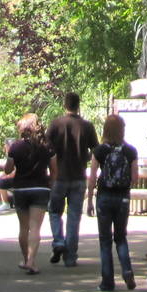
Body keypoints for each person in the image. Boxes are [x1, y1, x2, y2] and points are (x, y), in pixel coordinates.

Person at [45, 91, 99, 266]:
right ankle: (70, 257)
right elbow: (96, 150)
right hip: (78, 176)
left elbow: (46, 146)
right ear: (78, 105)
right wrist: (85, 156)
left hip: (59, 176)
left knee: (54, 211)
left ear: (65, 104)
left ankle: (58, 241)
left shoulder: (56, 124)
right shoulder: (87, 126)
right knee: (74, 217)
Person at [90, 113, 139, 291]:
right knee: (120, 237)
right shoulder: (130, 151)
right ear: (122, 130)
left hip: (104, 197)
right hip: (123, 197)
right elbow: (135, 178)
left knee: (105, 240)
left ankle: (107, 282)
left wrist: (89, 199)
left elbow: (92, 176)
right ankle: (127, 271)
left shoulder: (99, 151)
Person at [3, 113, 52, 274]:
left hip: (21, 189)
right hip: (40, 188)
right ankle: (31, 261)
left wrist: (11, 157)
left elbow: (8, 170)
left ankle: (26, 260)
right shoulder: (46, 146)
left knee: (23, 228)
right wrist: (51, 184)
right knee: (35, 228)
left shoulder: (16, 147)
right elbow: (54, 170)